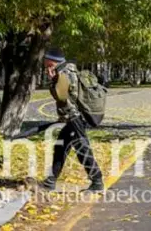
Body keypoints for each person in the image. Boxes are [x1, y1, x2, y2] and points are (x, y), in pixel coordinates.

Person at [39, 48, 104, 193]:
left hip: (75, 118)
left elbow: (61, 97)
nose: (45, 65)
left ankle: (97, 181)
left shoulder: (64, 73)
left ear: (53, 61)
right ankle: (50, 182)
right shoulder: (67, 71)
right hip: (72, 117)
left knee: (82, 148)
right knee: (61, 147)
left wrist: (53, 81)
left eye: (47, 62)